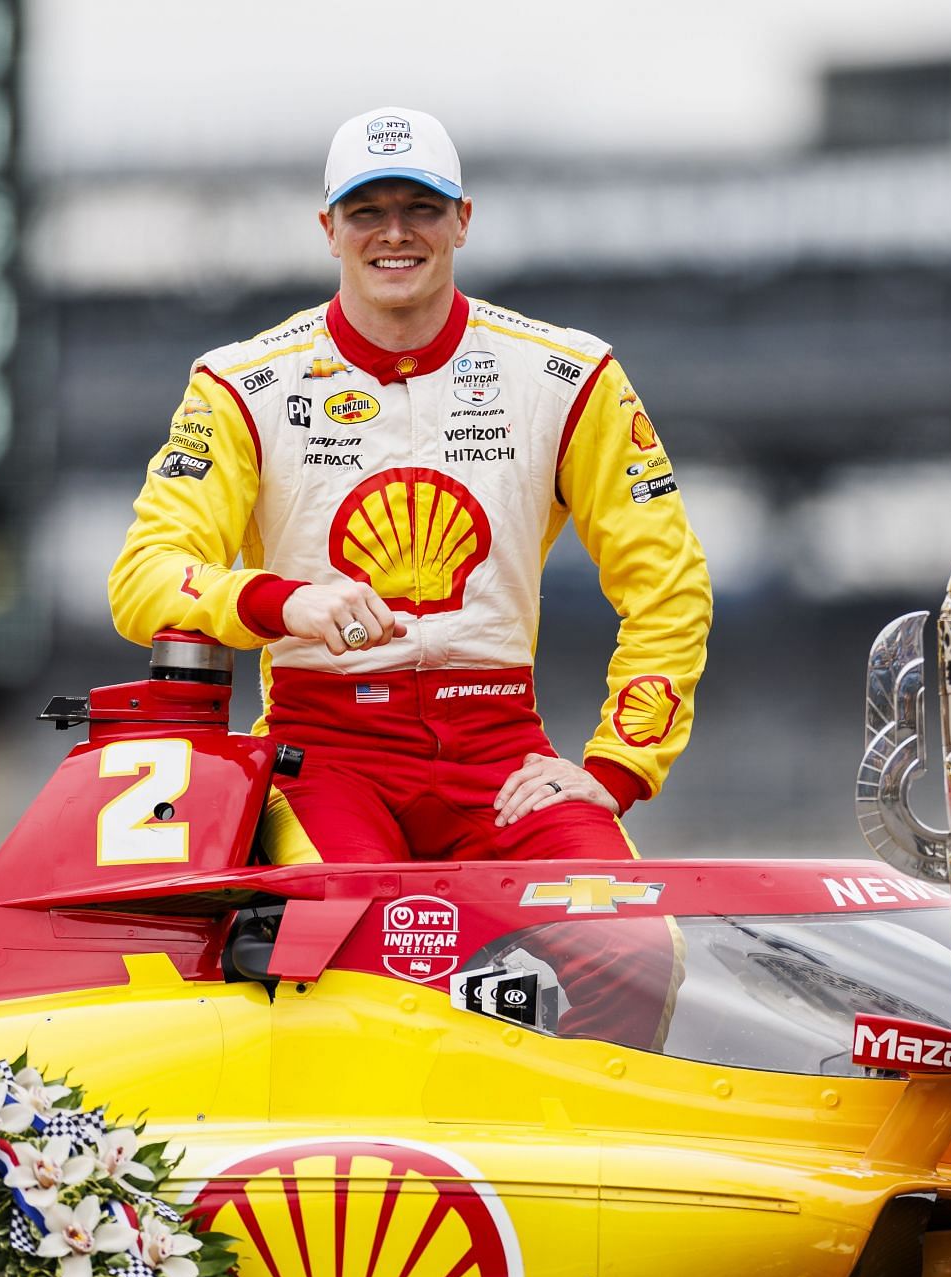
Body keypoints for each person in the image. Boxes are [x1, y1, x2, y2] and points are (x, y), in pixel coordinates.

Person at [108, 106, 711, 875]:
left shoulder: (569, 375)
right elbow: (142, 577)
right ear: (328, 228)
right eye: (367, 211)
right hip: (323, 754)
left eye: (420, 207)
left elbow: (668, 585)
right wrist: (285, 601)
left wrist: (616, 769)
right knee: (355, 925)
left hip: (502, 754)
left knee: (635, 946)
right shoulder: (242, 384)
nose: (395, 233)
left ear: (462, 219)